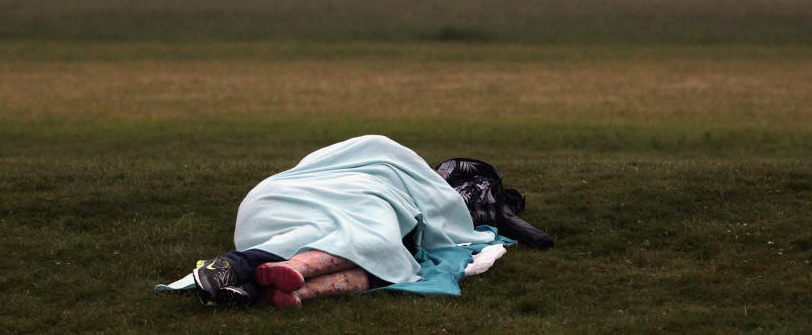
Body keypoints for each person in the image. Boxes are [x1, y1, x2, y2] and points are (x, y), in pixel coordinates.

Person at [157, 134, 551, 308]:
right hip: (328, 196)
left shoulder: (370, 151)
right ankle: (278, 274)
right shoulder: (390, 164)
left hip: (264, 205)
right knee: (386, 253)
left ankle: (258, 282)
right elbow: (441, 213)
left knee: (366, 246)